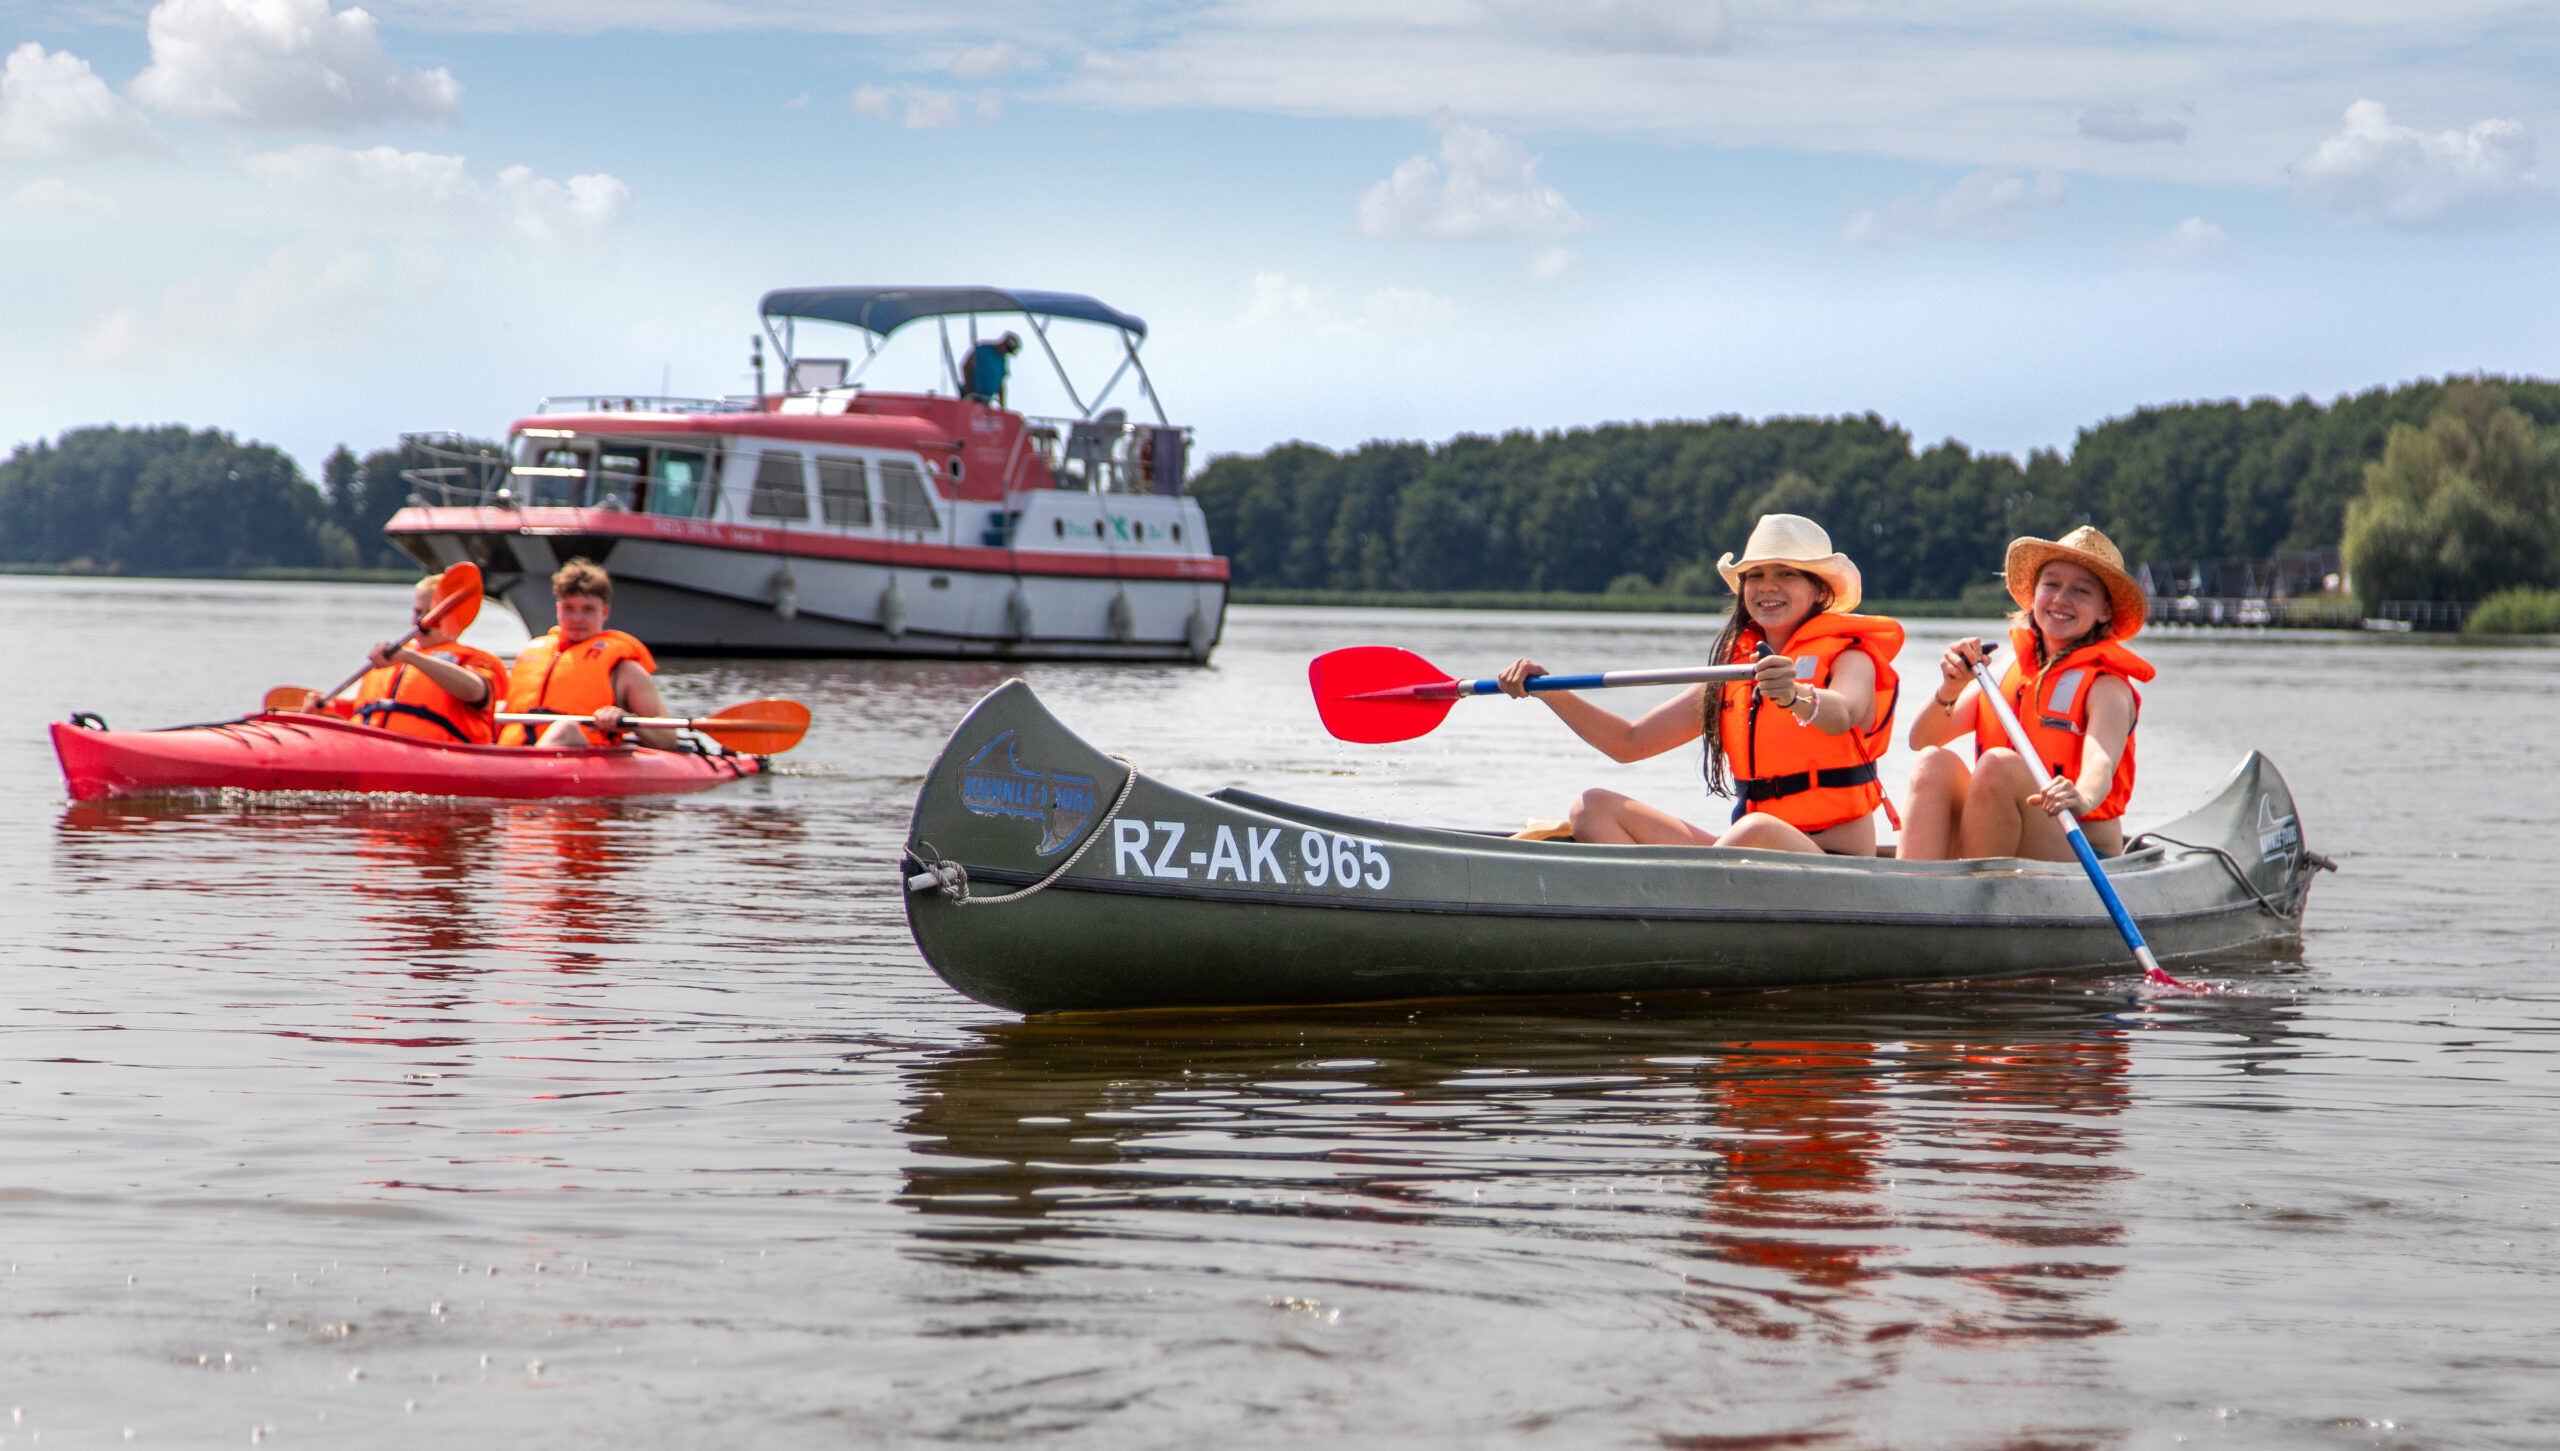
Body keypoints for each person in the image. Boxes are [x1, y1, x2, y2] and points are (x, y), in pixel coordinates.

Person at [1497, 514, 1904, 856]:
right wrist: (1550, 691)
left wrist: (1793, 694)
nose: (1767, 585)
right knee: (1592, 809)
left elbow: (1842, 712)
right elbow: (1630, 742)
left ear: (1819, 590)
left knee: (1756, 830)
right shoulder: (1734, 673)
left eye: (1786, 574)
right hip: (1746, 854)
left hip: (1830, 863)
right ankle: (1659, 908)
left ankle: (1677, 901)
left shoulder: (1851, 656)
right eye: (1755, 575)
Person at [1897, 526, 2154, 862]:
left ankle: (1973, 887)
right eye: (2051, 585)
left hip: (2083, 852)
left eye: (2080, 591)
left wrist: (2082, 796)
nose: (2061, 598)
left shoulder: (2106, 685)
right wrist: (1951, 688)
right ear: (2034, 596)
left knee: (1998, 765)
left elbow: (2100, 762)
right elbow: (1921, 739)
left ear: (2104, 611)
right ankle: (1915, 883)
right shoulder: (2005, 669)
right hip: (2007, 839)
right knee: (1933, 762)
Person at [499, 558, 681, 749]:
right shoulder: (532, 654)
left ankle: (532, 764)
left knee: (566, 729)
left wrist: (626, 720)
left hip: (581, 751)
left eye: (588, 610)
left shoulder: (625, 670)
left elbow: (668, 739)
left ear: (604, 612)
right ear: (558, 610)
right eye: (569, 608)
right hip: (516, 750)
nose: (577, 618)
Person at [319, 575, 505, 744]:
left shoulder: (476, 660)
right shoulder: (393, 657)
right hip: (370, 750)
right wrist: (330, 708)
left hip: (435, 756)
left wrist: (410, 657)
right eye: (417, 612)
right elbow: (364, 709)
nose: (420, 621)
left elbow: (476, 690)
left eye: (430, 614)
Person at [961, 332, 1021, 403]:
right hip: (972, 397)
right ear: (1003, 343)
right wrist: (969, 391)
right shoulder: (984, 349)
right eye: (1007, 349)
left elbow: (1000, 383)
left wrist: (1002, 405)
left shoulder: (1002, 360)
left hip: (986, 400)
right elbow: (966, 367)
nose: (1006, 352)